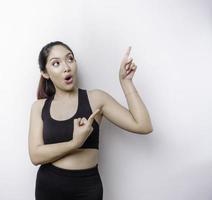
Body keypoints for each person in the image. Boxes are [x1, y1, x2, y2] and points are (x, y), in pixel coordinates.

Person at [28, 41, 153, 200]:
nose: (67, 67)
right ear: (45, 73)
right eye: (56, 63)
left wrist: (126, 82)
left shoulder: (96, 99)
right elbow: (35, 156)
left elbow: (143, 125)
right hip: (49, 186)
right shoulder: (39, 107)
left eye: (70, 59)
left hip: (86, 189)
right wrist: (74, 143)